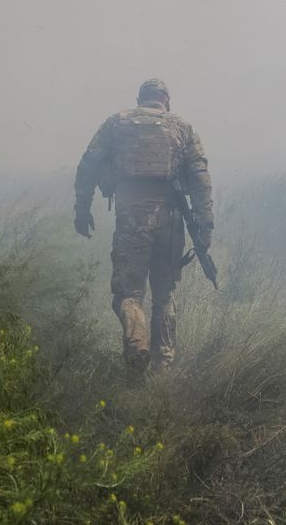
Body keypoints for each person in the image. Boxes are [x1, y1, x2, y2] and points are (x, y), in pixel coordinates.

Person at [73, 78, 214, 373]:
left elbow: (89, 164)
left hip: (131, 217)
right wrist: (204, 227)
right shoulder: (183, 127)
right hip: (172, 219)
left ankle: (137, 346)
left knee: (129, 294)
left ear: (140, 99)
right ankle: (163, 367)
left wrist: (82, 209)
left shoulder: (117, 122)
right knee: (165, 295)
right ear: (166, 101)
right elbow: (200, 178)